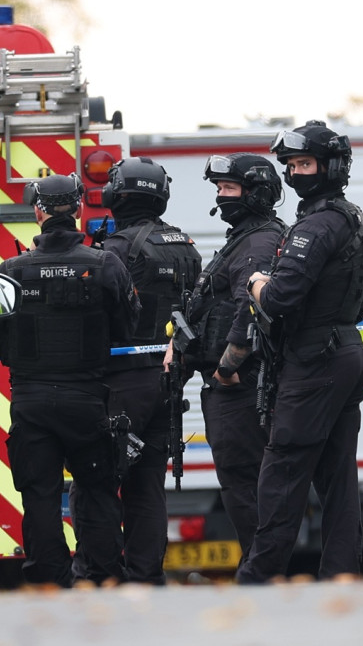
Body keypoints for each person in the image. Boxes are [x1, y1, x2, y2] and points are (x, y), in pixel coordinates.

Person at [236, 120, 363, 584]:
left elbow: (279, 300)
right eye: (292, 164)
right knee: (338, 476)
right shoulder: (353, 216)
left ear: (331, 166)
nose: (296, 172)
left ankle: (257, 579)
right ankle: (341, 572)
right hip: (346, 353)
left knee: (282, 470)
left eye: (304, 163)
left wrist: (257, 282)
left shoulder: (316, 226)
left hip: (315, 360)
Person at [0, 173, 140, 587]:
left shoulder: (12, 270)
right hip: (88, 400)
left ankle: (50, 580)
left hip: (31, 402)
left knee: (38, 495)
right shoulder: (105, 263)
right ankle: (106, 576)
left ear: (38, 212)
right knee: (97, 491)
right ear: (77, 210)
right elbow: (126, 327)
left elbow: (0, 332)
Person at [75, 156, 202, 585]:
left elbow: (94, 318)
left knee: (98, 481)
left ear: (117, 195)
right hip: (167, 382)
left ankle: (103, 576)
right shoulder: (187, 246)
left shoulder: (116, 251)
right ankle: (147, 577)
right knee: (147, 487)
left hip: (120, 383)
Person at [175, 153, 286, 563]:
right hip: (236, 387)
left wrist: (225, 369)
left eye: (229, 189)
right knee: (243, 484)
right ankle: (260, 568)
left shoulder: (258, 242)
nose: (221, 197)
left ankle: (261, 572)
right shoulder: (245, 237)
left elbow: (251, 308)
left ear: (255, 194)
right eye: (219, 189)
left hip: (240, 389)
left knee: (245, 484)